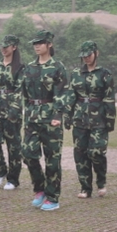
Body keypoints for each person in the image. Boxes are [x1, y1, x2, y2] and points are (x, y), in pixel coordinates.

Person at [20, 30, 71, 212]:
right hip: (32, 118)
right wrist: (26, 115)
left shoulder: (57, 67)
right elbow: (25, 94)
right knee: (27, 153)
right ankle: (40, 188)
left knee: (52, 160)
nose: (37, 46)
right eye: (35, 43)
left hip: (50, 119)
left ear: (49, 44)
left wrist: (58, 115)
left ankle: (53, 197)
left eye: (40, 43)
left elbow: (63, 93)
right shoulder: (29, 68)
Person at [65, 40, 116, 199]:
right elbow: (71, 96)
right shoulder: (76, 74)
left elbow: (109, 98)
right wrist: (67, 116)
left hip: (99, 118)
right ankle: (85, 188)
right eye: (84, 56)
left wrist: (110, 120)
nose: (86, 58)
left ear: (96, 53)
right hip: (80, 118)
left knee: (96, 152)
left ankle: (101, 181)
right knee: (80, 154)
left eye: (89, 55)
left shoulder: (105, 74)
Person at [0, 35, 24, 191]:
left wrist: (13, 110)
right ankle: (1, 170)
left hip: (13, 111)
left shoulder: (20, 68)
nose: (3, 49)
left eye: (6, 46)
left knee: (13, 146)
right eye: (1, 46)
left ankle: (13, 179)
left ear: (14, 47)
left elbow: (20, 91)